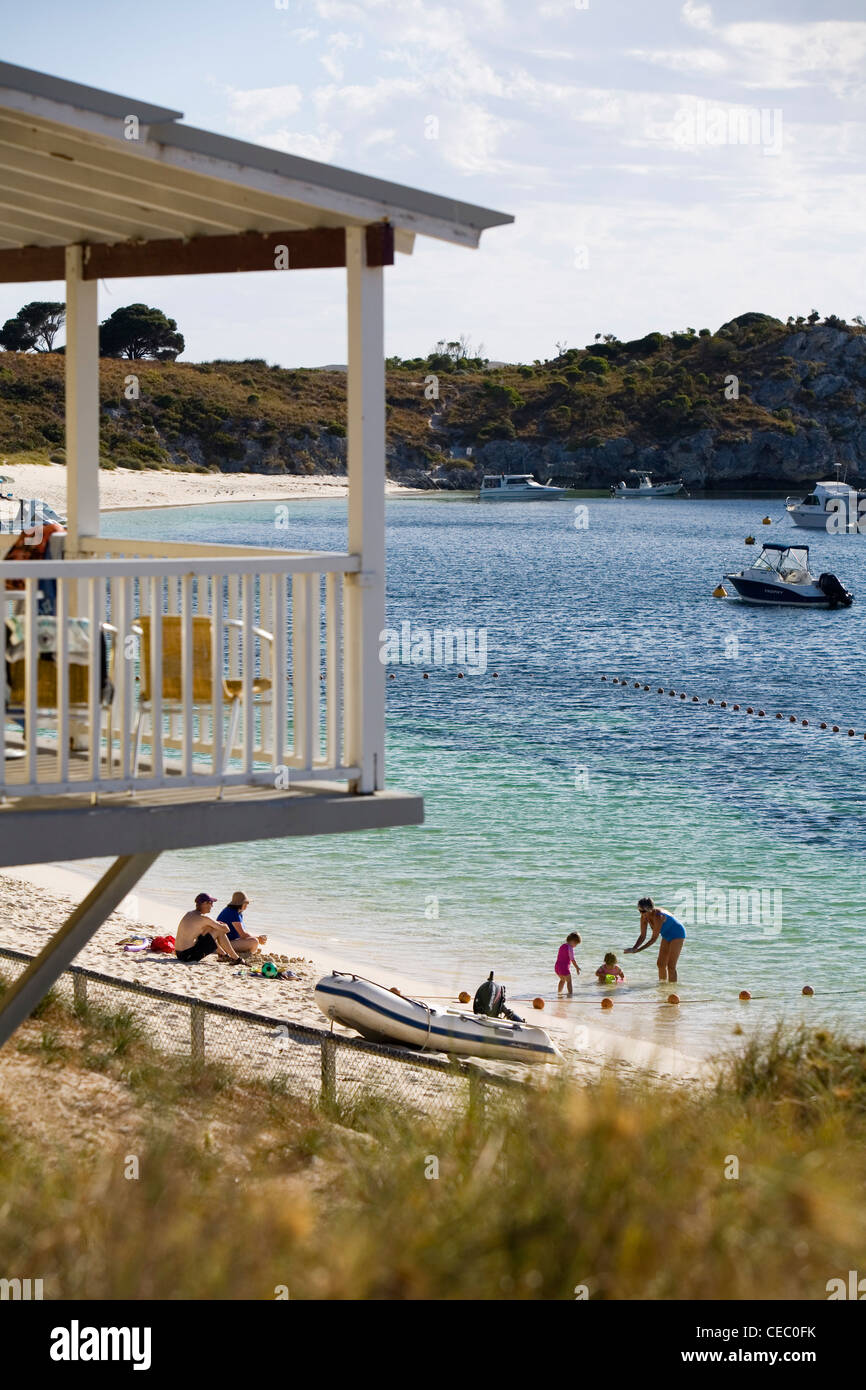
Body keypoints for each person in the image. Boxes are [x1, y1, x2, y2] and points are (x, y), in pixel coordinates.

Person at [624, 896, 686, 983]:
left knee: (671, 966)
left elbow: (653, 939)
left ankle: (672, 991)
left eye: (643, 911)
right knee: (660, 964)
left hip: (677, 933)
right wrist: (634, 948)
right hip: (666, 935)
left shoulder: (658, 916)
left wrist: (639, 950)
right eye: (639, 911)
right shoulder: (643, 917)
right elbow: (642, 936)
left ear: (650, 909)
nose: (641, 913)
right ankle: (663, 987)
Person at [175, 893, 242, 964]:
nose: (212, 906)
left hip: (179, 954)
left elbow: (205, 932)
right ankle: (236, 958)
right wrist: (223, 924)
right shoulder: (204, 918)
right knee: (218, 930)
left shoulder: (189, 913)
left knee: (209, 929)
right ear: (204, 903)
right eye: (211, 903)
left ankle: (223, 954)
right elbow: (226, 930)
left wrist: (214, 925)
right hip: (188, 956)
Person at [216, 891, 267, 956]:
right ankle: (248, 954)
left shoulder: (237, 912)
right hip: (224, 944)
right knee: (254, 941)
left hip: (229, 941)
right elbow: (242, 934)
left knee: (253, 940)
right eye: (246, 903)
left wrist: (257, 937)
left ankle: (248, 952)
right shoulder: (232, 913)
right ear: (239, 903)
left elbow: (242, 933)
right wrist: (258, 938)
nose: (247, 905)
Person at [555, 931, 582, 996]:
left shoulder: (562, 946)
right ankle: (570, 994)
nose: (575, 946)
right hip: (564, 968)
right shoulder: (570, 948)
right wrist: (577, 967)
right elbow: (572, 959)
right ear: (572, 941)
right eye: (576, 944)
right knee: (569, 981)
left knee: (562, 980)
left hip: (557, 967)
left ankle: (559, 993)